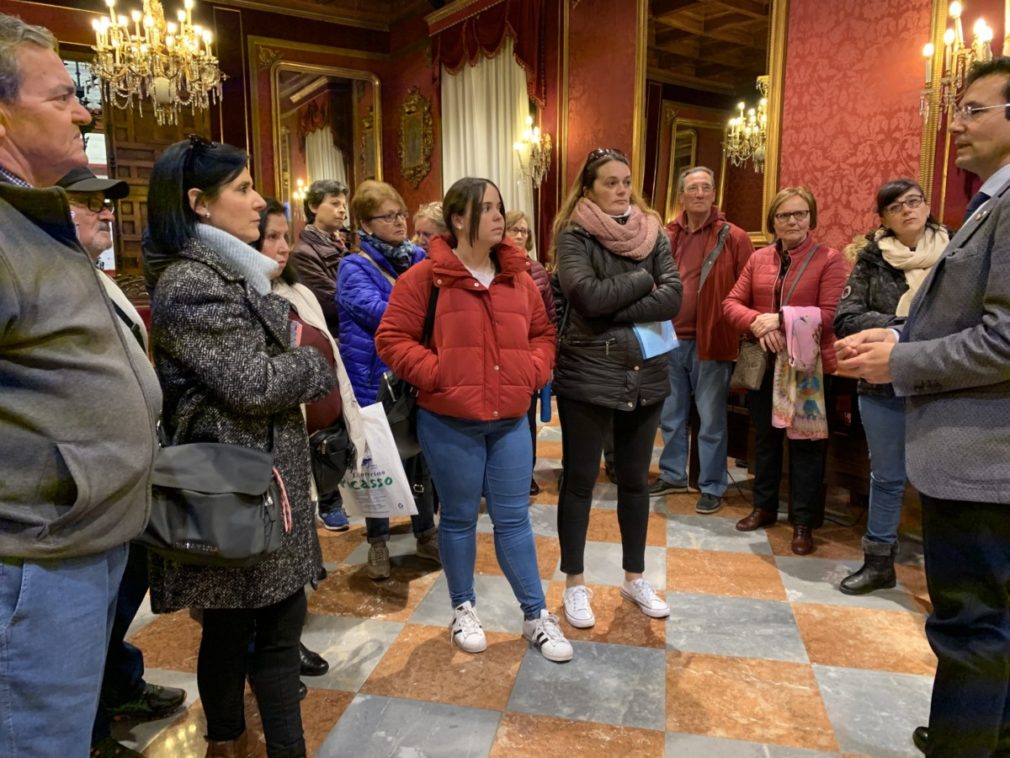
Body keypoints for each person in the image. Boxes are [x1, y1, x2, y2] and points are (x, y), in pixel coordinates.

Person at [836, 58, 1010, 757]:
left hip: (983, 462)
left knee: (971, 629)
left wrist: (900, 360)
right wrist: (899, 333)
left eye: (972, 109)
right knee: (990, 625)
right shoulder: (990, 201)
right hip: (976, 456)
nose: (956, 123)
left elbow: (1003, 339)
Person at [0, 15, 162, 755]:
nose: (86, 112)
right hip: (34, 562)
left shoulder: (33, 220)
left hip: (79, 543)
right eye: (63, 96)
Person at [144, 136, 334, 757]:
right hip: (236, 487)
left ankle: (232, 741)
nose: (258, 203)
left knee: (262, 630)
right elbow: (254, 384)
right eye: (244, 189)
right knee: (249, 634)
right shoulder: (192, 283)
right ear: (199, 204)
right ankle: (242, 742)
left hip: (260, 479)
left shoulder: (234, 272)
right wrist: (315, 360)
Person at [375, 176, 573, 662]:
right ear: (459, 219)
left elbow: (544, 333)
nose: (498, 216)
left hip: (509, 420)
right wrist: (439, 374)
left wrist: (532, 370)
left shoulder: (518, 277)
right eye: (486, 208)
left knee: (514, 520)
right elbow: (392, 339)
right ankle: (463, 607)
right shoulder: (425, 278)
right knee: (460, 519)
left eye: (500, 207)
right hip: (448, 420)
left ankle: (535, 616)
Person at [57, 167, 188, 758]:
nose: (105, 212)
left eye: (106, 203)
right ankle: (86, 735)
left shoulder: (96, 274)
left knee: (121, 596)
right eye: (88, 204)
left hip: (128, 474)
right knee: (76, 628)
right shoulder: (44, 273)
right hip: (78, 484)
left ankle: (119, 687)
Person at [552, 147, 682, 630]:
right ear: (588, 188)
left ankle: (634, 576)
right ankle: (574, 583)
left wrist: (616, 302)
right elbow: (584, 295)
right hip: (589, 373)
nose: (621, 190)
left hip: (646, 372)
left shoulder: (653, 232)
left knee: (635, 480)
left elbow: (675, 298)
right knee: (580, 481)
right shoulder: (574, 234)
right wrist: (645, 280)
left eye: (625, 181)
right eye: (609, 182)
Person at [833, 179, 947, 595]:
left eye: (914, 201)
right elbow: (845, 318)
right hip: (882, 386)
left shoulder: (954, 252)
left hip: (941, 382)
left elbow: (962, 320)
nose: (907, 211)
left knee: (941, 480)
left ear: (927, 205)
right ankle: (878, 561)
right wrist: (902, 329)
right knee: (887, 476)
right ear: (883, 218)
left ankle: (946, 572)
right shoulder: (871, 259)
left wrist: (900, 333)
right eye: (896, 206)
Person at [723, 187, 849, 555]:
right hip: (764, 362)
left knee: (806, 444)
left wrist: (779, 321)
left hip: (807, 365)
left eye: (800, 214)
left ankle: (803, 522)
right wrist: (758, 325)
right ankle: (763, 507)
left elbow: (831, 314)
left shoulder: (829, 259)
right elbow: (731, 303)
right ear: (773, 221)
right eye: (784, 215)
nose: (792, 221)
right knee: (764, 438)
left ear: (811, 217)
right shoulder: (759, 259)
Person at [337, 180, 439, 580]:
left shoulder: (417, 257)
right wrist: (424, 312)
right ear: (365, 223)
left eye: (401, 214)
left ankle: (425, 533)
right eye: (388, 216)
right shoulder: (353, 266)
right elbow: (379, 312)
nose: (399, 222)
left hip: (414, 372)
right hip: (372, 378)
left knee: (420, 458)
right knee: (377, 461)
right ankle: (377, 543)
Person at [651, 166, 754, 514]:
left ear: (714, 195)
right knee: (671, 414)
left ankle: (711, 485)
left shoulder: (733, 236)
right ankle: (672, 474)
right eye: (692, 188)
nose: (699, 194)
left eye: (705, 188)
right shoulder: (665, 235)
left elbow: (747, 286)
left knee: (711, 420)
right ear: (681, 196)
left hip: (713, 340)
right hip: (668, 339)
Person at [292, 179, 352, 532]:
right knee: (328, 424)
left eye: (344, 203)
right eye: (334, 203)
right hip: (330, 342)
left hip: (350, 343)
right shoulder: (304, 252)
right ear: (314, 207)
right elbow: (334, 300)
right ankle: (329, 499)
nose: (342, 209)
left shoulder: (343, 246)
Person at [505, 209, 555, 496]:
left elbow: (549, 315)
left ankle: (527, 474)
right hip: (502, 355)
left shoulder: (537, 269)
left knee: (527, 420)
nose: (521, 235)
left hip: (528, 357)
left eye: (524, 231)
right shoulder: (494, 265)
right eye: (515, 229)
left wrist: (546, 358)